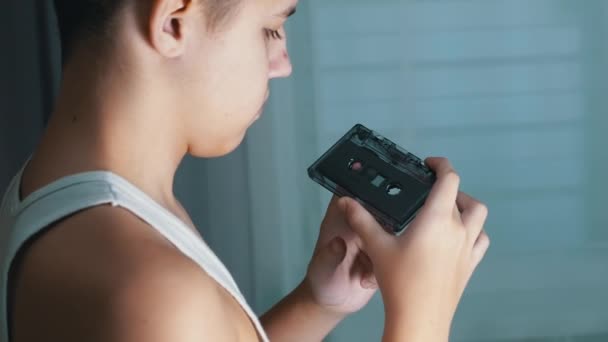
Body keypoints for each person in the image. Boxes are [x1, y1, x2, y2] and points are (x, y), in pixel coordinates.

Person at [0, 0, 490, 341]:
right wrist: (422, 315)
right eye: (272, 28)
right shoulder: (151, 288)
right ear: (174, 21)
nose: (283, 63)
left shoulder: (58, 192)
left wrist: (320, 302)